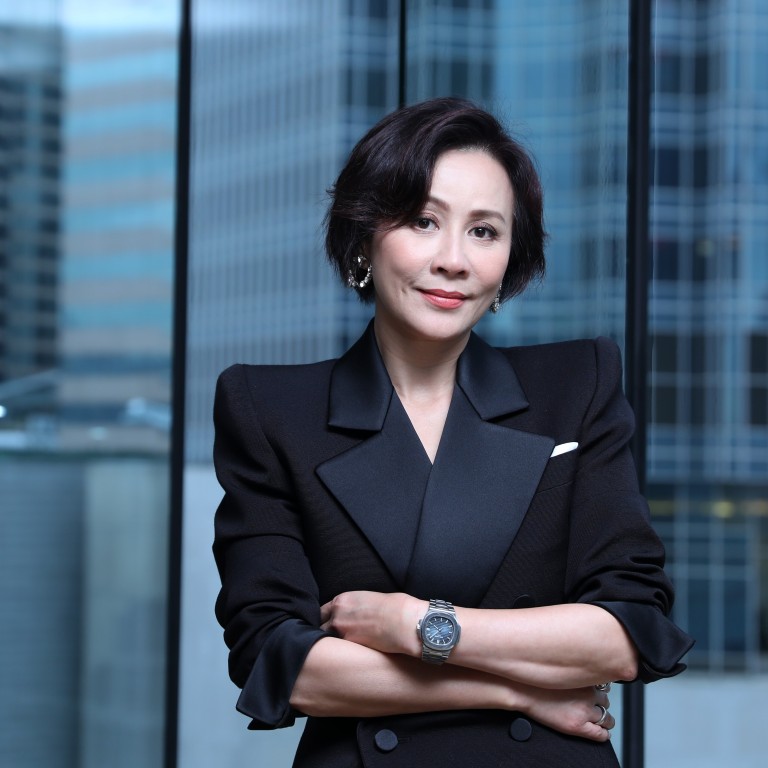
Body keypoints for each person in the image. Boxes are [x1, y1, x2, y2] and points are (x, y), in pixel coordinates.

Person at [212, 97, 693, 767]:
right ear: (363, 237)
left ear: (510, 259)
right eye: (424, 221)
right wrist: (516, 692)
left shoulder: (576, 384)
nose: (453, 260)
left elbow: (626, 633)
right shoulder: (269, 408)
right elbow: (280, 664)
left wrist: (415, 623)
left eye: (484, 231)